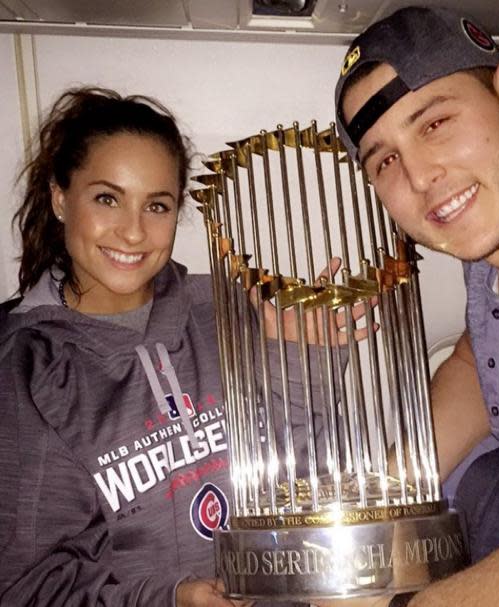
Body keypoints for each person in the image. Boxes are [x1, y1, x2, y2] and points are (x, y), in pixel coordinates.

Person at [0, 87, 358, 606]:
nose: (133, 232)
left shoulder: (225, 308)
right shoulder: (27, 370)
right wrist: (170, 600)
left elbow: (300, 478)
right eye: (107, 198)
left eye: (157, 206)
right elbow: (27, 587)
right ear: (60, 197)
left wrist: (304, 370)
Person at [333, 5, 499, 606]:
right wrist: (381, 491)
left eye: (435, 123)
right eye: (385, 160)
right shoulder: (493, 231)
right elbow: (479, 361)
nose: (420, 177)